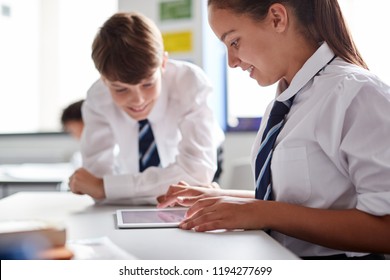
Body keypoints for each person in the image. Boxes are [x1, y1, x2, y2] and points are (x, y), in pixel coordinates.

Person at [158, 0, 390, 259]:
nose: (232, 62)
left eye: (234, 42)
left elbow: (385, 228)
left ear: (278, 18)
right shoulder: (283, 104)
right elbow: (305, 201)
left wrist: (258, 212)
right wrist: (220, 197)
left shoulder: (357, 94)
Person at [68, 12, 225, 205]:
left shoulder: (190, 83)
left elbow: (197, 174)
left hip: (208, 156)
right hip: (138, 175)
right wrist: (106, 187)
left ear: (164, 63)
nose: (138, 100)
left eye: (147, 84)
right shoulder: (98, 98)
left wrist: (109, 188)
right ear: (103, 79)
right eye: (121, 89)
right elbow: (94, 181)